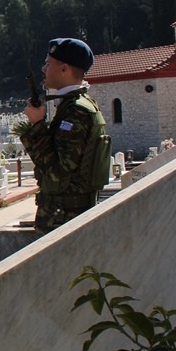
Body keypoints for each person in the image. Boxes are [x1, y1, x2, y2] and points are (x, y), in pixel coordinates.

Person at [21, 38, 110, 233]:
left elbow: (57, 173)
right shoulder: (77, 105)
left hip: (65, 218)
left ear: (64, 69)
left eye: (48, 63)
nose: (44, 69)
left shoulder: (76, 112)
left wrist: (37, 125)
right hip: (66, 215)